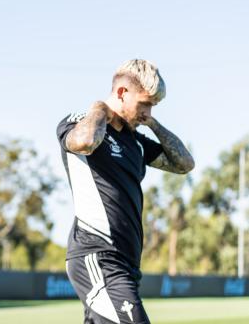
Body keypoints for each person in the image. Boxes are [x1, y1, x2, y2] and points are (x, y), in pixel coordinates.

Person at [57, 59, 195, 324]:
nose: (148, 112)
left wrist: (153, 125)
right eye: (145, 104)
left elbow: (184, 164)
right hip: (97, 256)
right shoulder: (81, 123)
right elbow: (85, 142)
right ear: (122, 93)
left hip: (127, 264)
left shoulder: (136, 142)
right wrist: (100, 108)